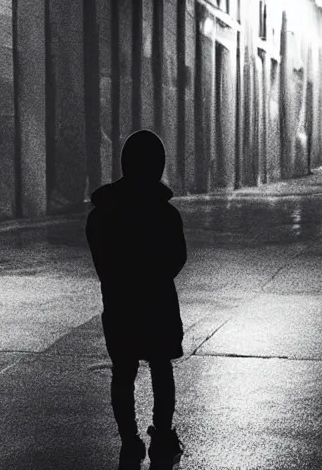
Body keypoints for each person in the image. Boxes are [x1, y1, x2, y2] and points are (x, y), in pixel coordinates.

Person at [85, 130, 186, 469]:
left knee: (123, 372)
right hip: (158, 305)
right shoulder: (166, 214)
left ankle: (129, 440)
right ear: (158, 166)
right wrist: (154, 276)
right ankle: (162, 435)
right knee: (161, 369)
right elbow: (178, 258)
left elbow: (102, 260)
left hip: (119, 305)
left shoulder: (102, 213)